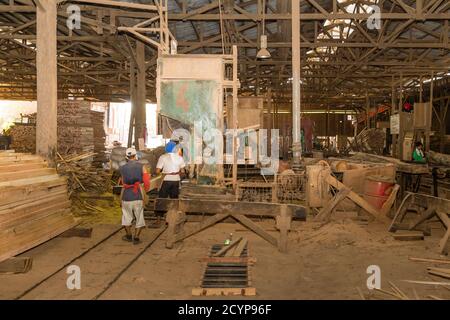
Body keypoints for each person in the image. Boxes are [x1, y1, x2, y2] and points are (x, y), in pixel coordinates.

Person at [119, 148, 150, 244]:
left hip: (126, 196)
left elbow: (123, 182)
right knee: (139, 217)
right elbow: (146, 181)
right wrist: (145, 190)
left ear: (126, 157)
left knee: (126, 217)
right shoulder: (142, 167)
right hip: (137, 195)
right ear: (135, 155)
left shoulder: (122, 168)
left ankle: (128, 236)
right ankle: (136, 238)